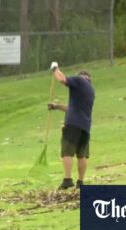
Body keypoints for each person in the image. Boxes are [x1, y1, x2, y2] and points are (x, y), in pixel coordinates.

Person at [48, 62, 95, 190]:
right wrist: (56, 106)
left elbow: (62, 79)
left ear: (81, 77)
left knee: (67, 151)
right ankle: (81, 182)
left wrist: (55, 68)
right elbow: (71, 108)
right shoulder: (90, 90)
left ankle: (68, 179)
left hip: (72, 124)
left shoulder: (79, 81)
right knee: (82, 154)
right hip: (85, 126)